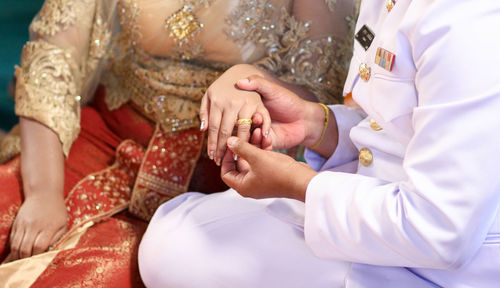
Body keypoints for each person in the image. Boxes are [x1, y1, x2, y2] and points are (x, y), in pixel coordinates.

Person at [138, 0, 500, 287]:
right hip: (372, 204)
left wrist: (298, 184)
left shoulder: (467, 20)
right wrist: (317, 124)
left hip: (434, 267)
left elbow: (442, 232)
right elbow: (397, 130)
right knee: (175, 236)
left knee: (174, 254)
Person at [0, 0, 357, 286]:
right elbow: (53, 59)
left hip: (220, 178)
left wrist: (253, 82)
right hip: (103, 137)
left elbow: (320, 96)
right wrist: (44, 191)